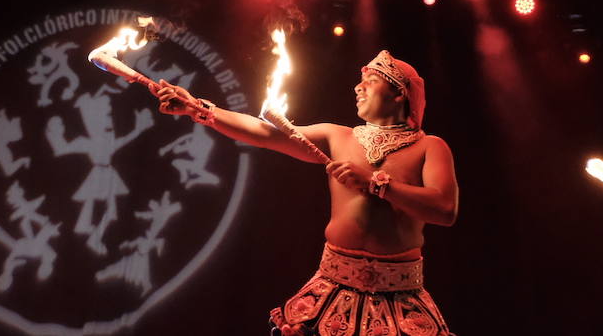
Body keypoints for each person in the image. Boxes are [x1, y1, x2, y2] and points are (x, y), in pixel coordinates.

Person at [151, 49, 458, 336]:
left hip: (399, 296)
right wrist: (200, 109)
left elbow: (445, 210)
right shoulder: (337, 135)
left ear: (398, 92)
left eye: (370, 81)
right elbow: (264, 133)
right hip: (333, 285)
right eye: (359, 82)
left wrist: (377, 184)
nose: (358, 88)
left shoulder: (429, 146)